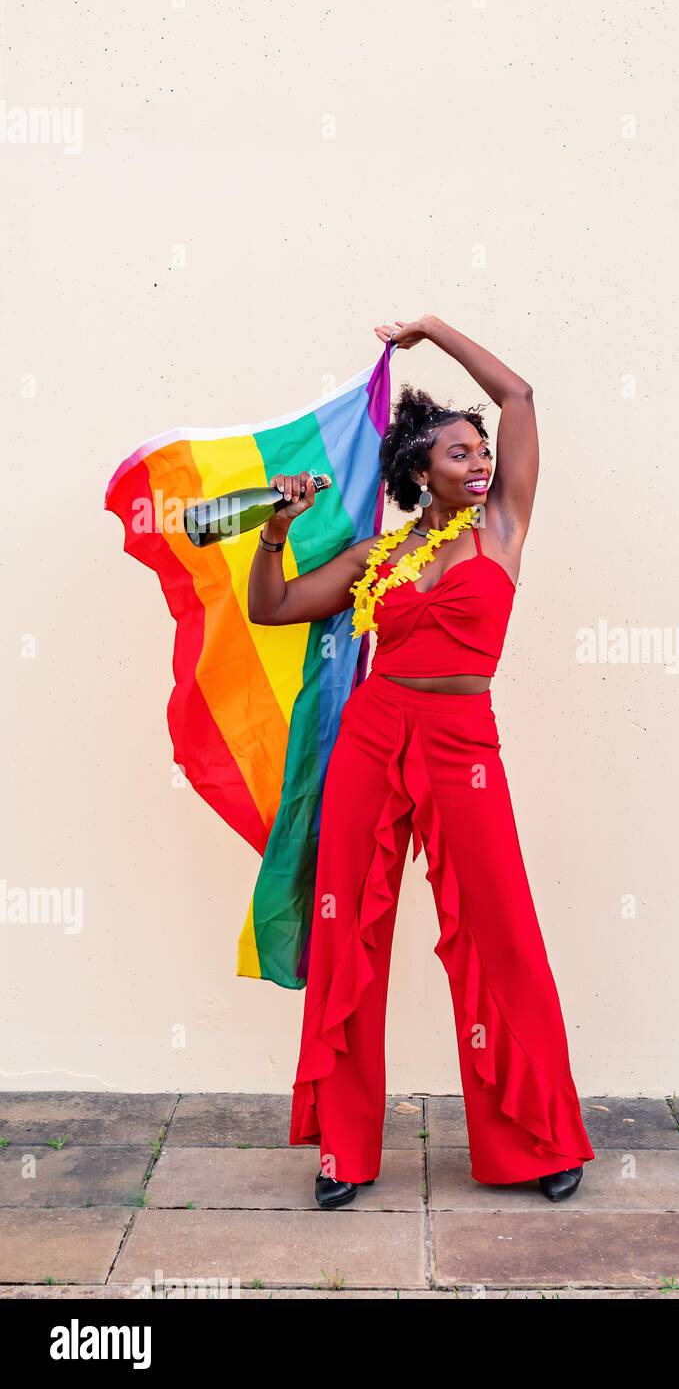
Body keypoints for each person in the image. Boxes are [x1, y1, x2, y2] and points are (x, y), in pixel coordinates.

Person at [247, 314, 595, 1209]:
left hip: (461, 743)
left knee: (498, 929)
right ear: (417, 473)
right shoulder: (381, 555)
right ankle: (344, 1150)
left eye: (481, 451)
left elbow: (519, 395)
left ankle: (539, 1138)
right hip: (373, 736)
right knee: (349, 933)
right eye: (457, 453)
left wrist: (433, 331)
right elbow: (275, 607)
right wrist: (274, 529)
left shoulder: (504, 528)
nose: (478, 463)